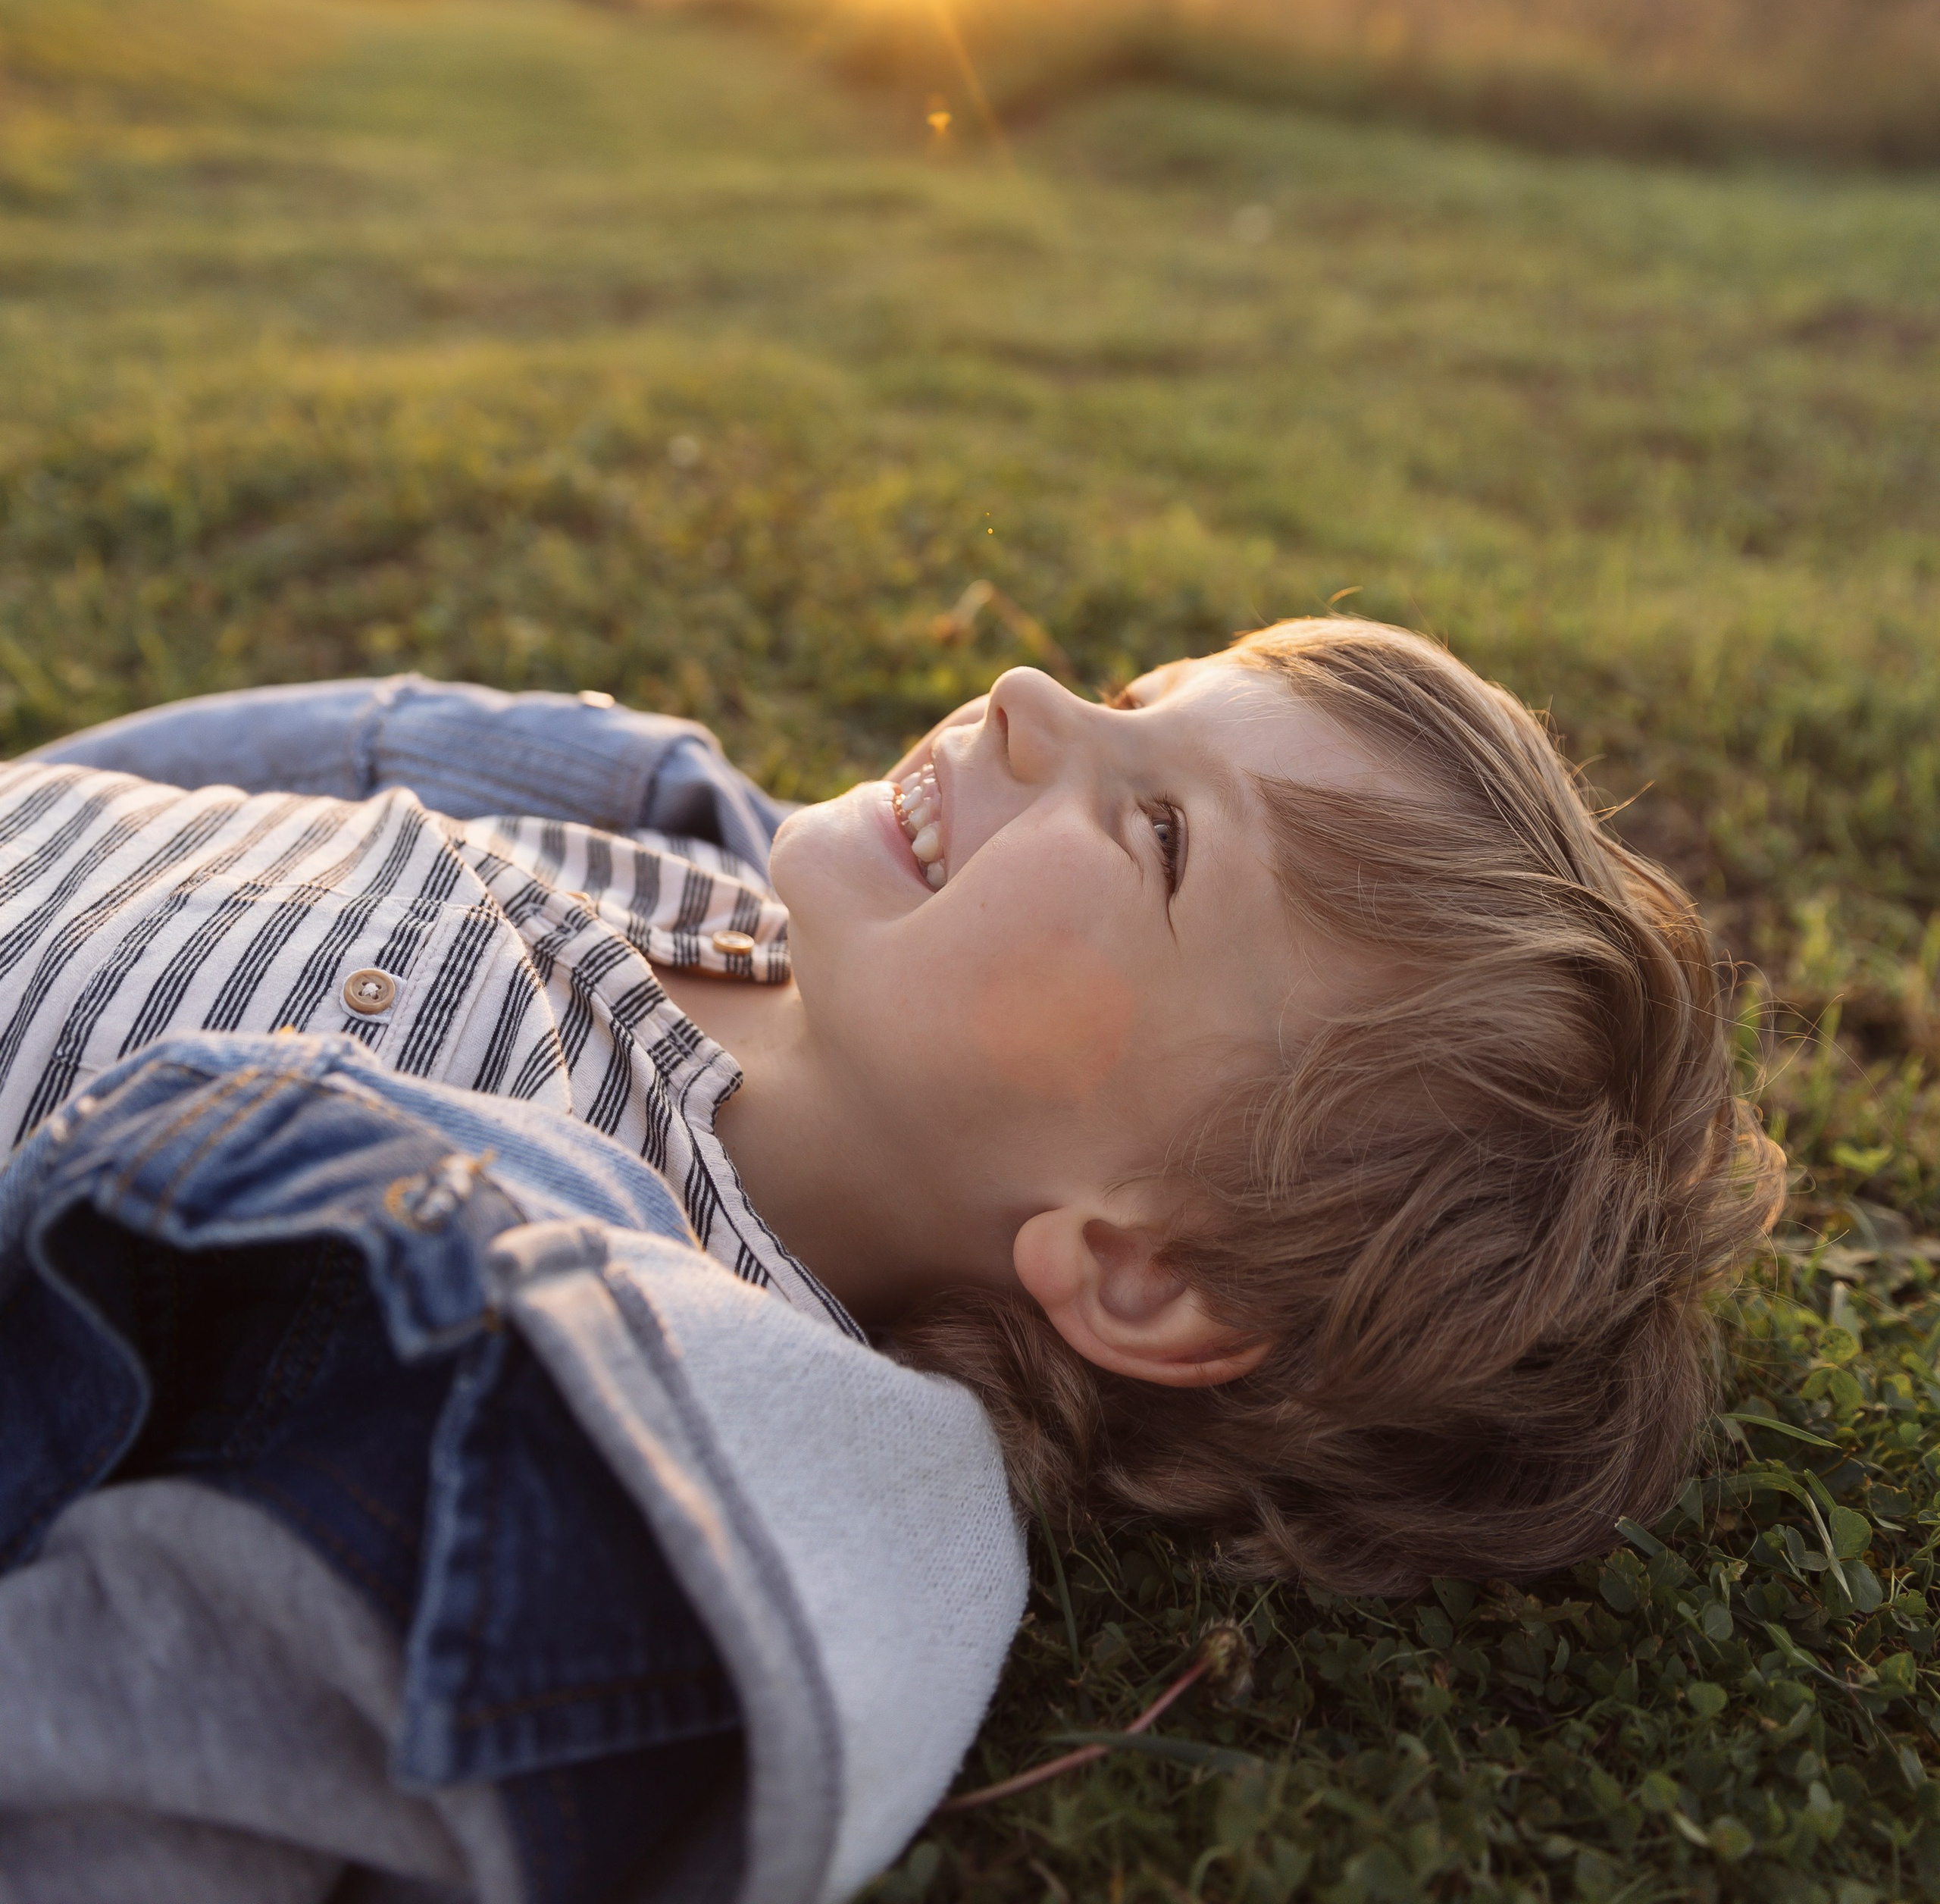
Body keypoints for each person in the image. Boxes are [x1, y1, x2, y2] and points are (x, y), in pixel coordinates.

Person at [0, 619, 1782, 1901]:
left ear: (1148, 1276)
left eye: (1156, 831)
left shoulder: (599, 1342)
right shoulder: (668, 838)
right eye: (1139, 695)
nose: (1025, 700)